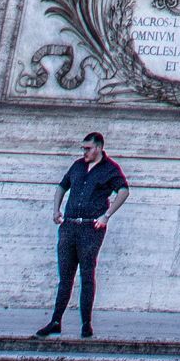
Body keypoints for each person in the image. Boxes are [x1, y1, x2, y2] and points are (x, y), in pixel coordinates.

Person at [34, 131, 128, 339]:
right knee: (65, 277)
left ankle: (86, 324)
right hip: (69, 226)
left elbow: (123, 191)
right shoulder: (77, 166)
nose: (84, 152)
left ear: (99, 148)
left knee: (87, 275)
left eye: (88, 148)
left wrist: (106, 215)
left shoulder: (110, 169)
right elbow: (62, 186)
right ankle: (56, 320)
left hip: (90, 228)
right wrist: (56, 209)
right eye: (83, 148)